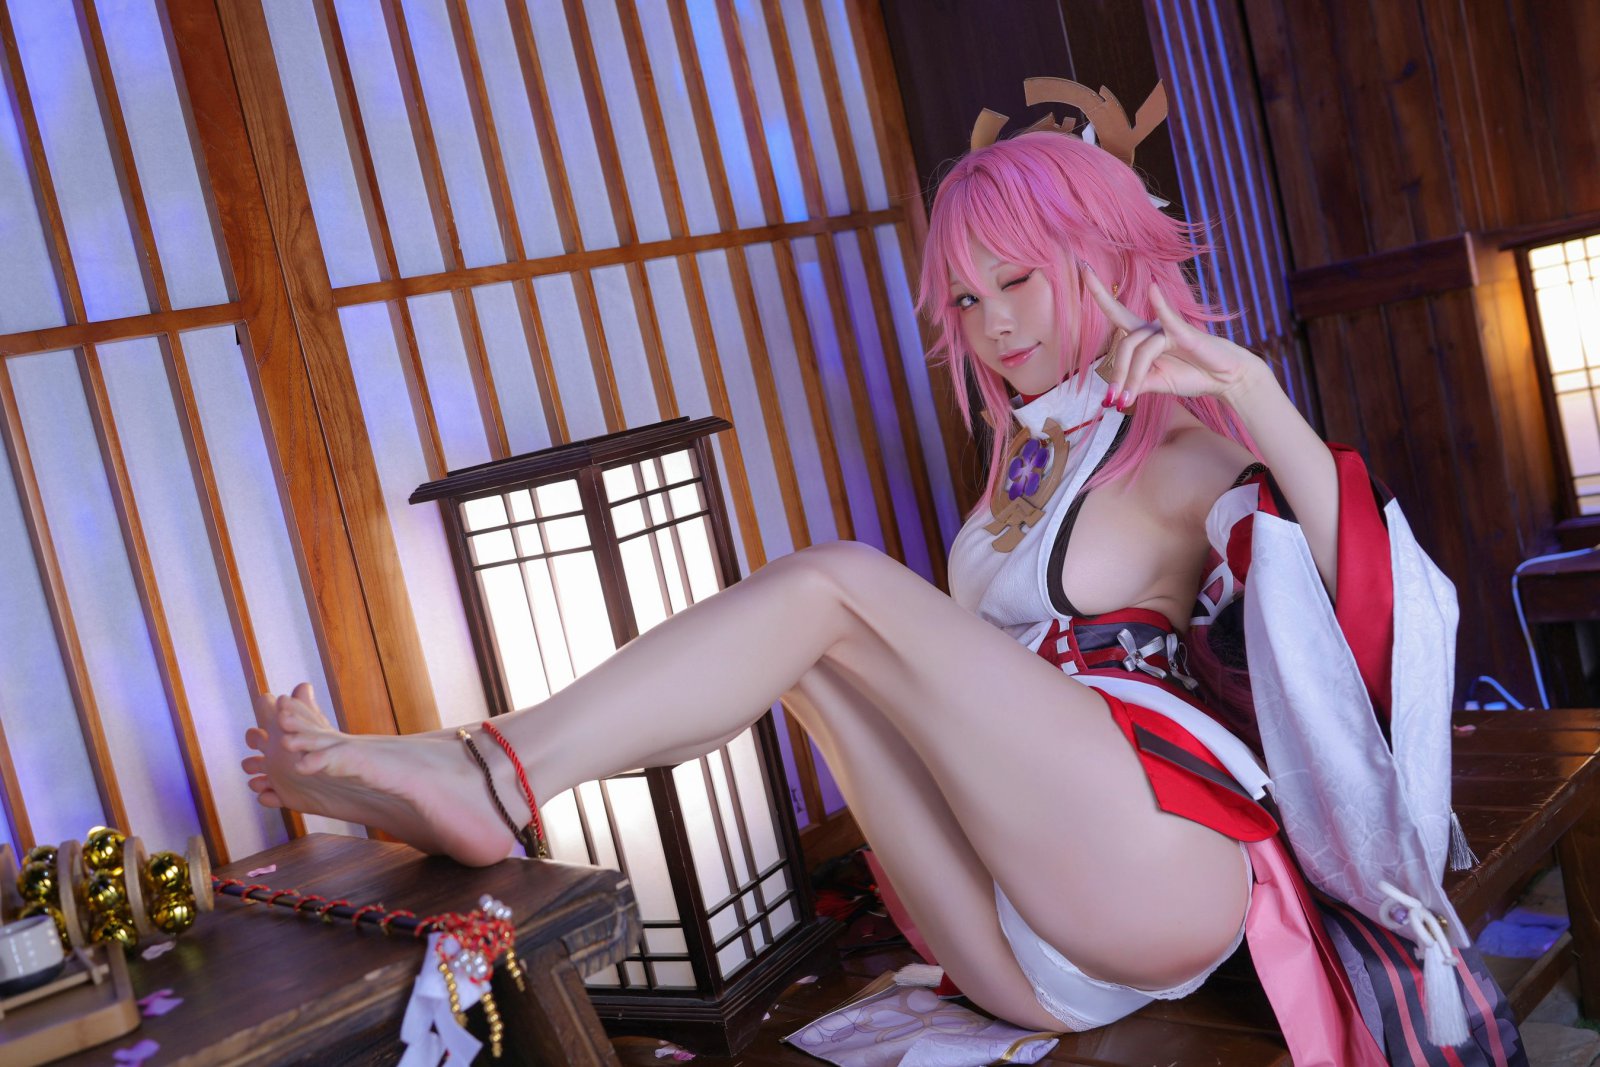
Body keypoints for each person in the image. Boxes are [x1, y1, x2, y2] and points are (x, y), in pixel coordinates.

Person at [241, 127, 1471, 1057]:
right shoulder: (1024, 459)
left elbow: (1367, 609)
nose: (990, 325)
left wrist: (1255, 395)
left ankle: (491, 772)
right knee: (809, 652)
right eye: (966, 299)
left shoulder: (1185, 451)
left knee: (834, 579)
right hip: (1022, 953)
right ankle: (484, 776)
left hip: (1161, 866)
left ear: (1101, 256)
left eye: (1016, 280)